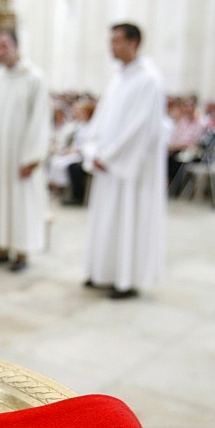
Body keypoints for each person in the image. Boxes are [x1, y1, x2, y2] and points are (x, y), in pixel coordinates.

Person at [77, 23, 167, 300]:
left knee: (127, 220)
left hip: (130, 169)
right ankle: (102, 272)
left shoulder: (148, 80)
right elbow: (102, 119)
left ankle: (126, 280)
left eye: (117, 41)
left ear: (134, 43)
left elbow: (140, 128)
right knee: (105, 221)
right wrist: (91, 148)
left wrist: (110, 156)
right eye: (111, 40)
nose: (111, 46)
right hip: (107, 164)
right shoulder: (119, 79)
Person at [0, 30, 52, 272]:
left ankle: (21, 252)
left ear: (16, 47)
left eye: (5, 45)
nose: (0, 51)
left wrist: (32, 157)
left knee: (20, 203)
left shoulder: (34, 78)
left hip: (20, 156)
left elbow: (39, 119)